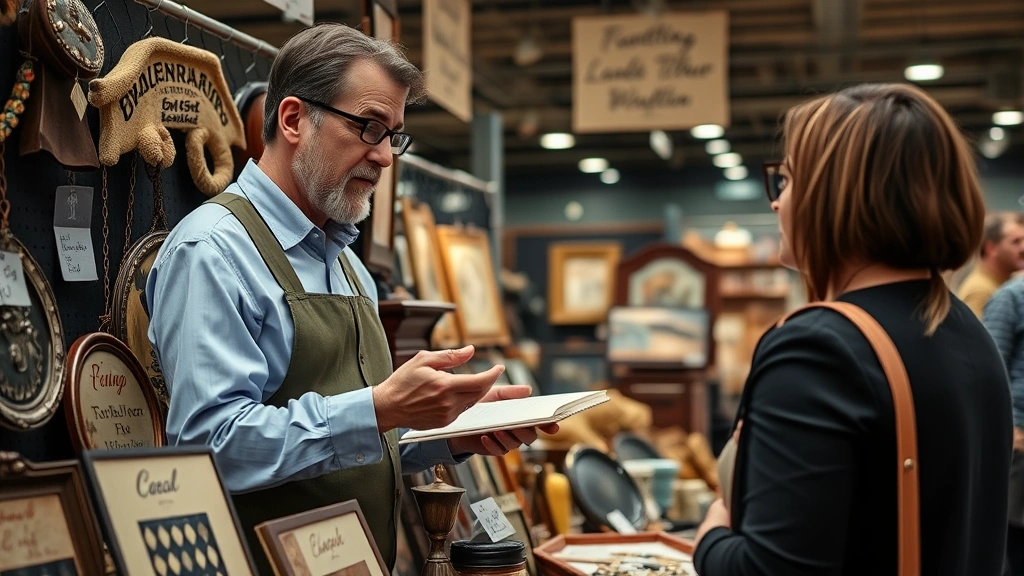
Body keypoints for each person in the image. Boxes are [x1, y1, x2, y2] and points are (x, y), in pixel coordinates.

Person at [145, 23, 556, 574]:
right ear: (294, 120)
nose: (385, 157)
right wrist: (380, 407)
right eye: (369, 127)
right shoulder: (213, 250)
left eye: (394, 135)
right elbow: (211, 448)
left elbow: (356, 444)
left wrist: (454, 429)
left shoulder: (346, 262)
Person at [693, 83, 1011, 575]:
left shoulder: (818, 347)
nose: (777, 203)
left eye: (787, 180)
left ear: (833, 195)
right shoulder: (966, 329)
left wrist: (710, 536)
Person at [982, 281, 1024, 576]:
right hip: (1019, 443)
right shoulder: (1011, 298)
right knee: (1013, 544)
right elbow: (991, 373)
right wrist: (1010, 429)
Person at [956, 212, 1024, 317]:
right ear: (990, 248)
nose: (1022, 248)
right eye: (1016, 242)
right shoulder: (980, 291)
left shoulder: (1001, 284)